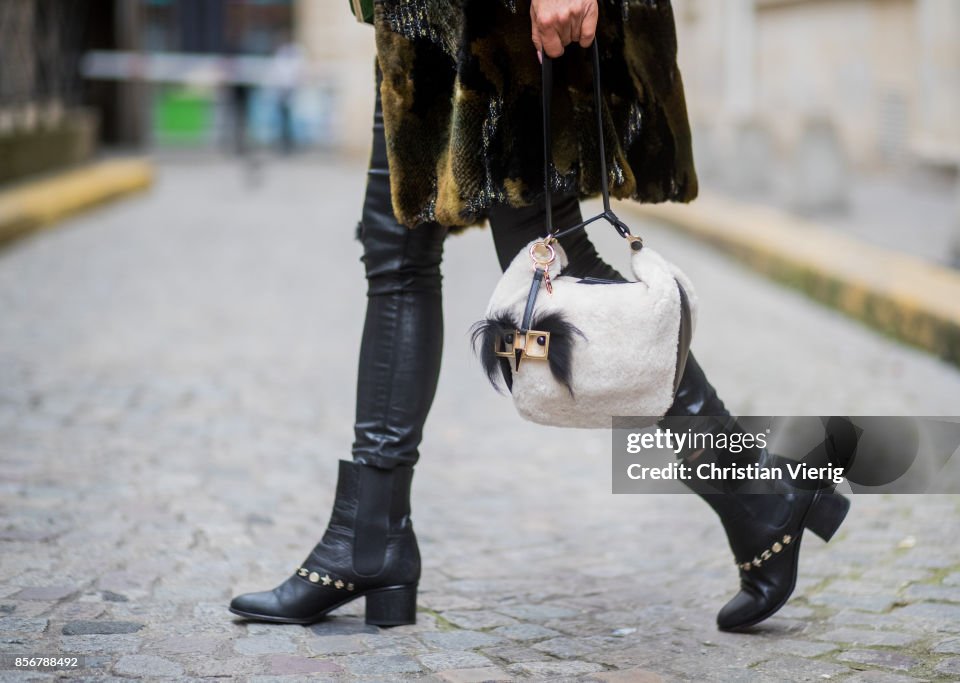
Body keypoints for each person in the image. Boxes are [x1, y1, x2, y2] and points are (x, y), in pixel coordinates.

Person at [228, 0, 849, 632]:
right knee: (396, 246)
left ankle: (757, 495)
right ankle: (370, 539)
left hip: (504, 18)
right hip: (421, 17)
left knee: (553, 260)